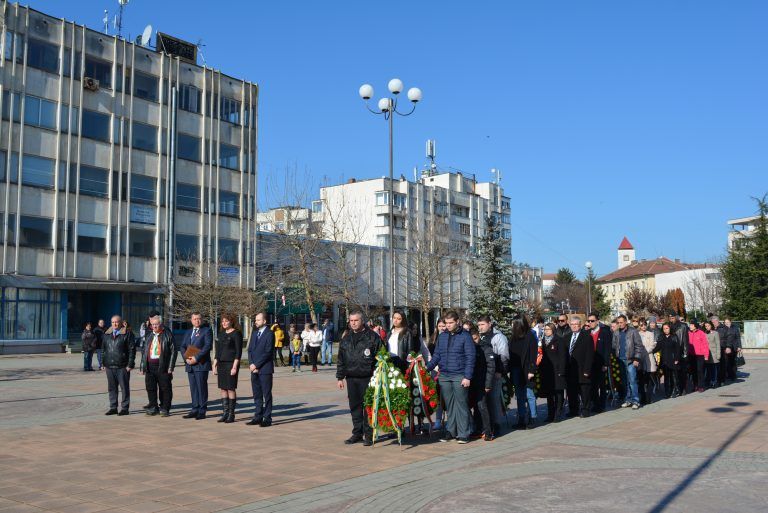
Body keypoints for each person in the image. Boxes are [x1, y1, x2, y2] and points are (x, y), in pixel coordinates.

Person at [426, 310, 475, 444]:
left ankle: (464, 432)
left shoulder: (465, 336)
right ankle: (451, 431)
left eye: (450, 323)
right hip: (445, 375)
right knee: (449, 405)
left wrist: (467, 376)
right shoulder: (442, 337)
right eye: (446, 323)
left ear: (457, 321)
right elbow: (437, 355)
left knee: (461, 404)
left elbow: (470, 357)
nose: (448, 325)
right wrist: (426, 368)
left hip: (460, 375)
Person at [336, 310, 382, 446]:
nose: (353, 323)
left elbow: (381, 356)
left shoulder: (372, 337)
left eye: (356, 320)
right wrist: (340, 377)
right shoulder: (346, 338)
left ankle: (369, 435)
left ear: (362, 321)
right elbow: (341, 359)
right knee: (354, 406)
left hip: (367, 377)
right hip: (351, 378)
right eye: (351, 321)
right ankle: (357, 433)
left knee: (368, 407)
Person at [139, 314, 177, 417]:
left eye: (156, 324)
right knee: (150, 388)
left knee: (165, 388)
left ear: (161, 324)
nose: (154, 326)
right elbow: (144, 352)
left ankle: (165, 408)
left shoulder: (167, 334)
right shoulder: (149, 335)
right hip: (150, 367)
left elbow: (174, 351)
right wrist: (142, 366)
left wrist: (170, 367)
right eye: (152, 324)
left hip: (163, 366)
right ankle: (153, 407)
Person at [477, 316, 509, 434]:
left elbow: (504, 356)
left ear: (489, 324)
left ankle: (497, 425)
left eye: (482, 324)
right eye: (479, 325)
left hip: (495, 373)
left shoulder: (498, 337)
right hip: (483, 374)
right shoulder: (480, 337)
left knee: (494, 400)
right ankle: (486, 425)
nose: (480, 327)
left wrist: (500, 371)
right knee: (485, 401)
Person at [179, 312, 213, 420]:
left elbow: (207, 346)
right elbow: (183, 346)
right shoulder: (188, 331)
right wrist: (186, 358)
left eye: (199, 318)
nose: (197, 321)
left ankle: (202, 411)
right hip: (190, 364)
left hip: (201, 364)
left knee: (201, 388)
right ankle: (194, 409)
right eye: (194, 319)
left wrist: (196, 358)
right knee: (193, 388)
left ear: (201, 319)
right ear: (191, 320)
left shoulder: (206, 330)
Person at [101, 315, 136, 416]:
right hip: (109, 366)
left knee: (124, 387)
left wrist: (130, 364)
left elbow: (132, 350)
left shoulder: (127, 334)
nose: (114, 324)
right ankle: (113, 407)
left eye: (116, 322)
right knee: (112, 388)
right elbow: (103, 350)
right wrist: (103, 363)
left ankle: (124, 408)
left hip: (122, 366)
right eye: (113, 322)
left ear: (121, 323)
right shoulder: (107, 334)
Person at [508, 316, 538, 428]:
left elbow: (533, 355)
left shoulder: (530, 336)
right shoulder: (513, 338)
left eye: (513, 323)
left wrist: (531, 370)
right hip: (516, 370)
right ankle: (521, 418)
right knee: (519, 395)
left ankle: (532, 418)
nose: (512, 326)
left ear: (519, 324)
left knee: (529, 394)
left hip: (527, 370)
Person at [213, 313, 243, 424]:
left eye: (226, 321)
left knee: (230, 388)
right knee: (223, 388)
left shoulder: (236, 334)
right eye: (223, 321)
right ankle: (225, 413)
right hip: (221, 364)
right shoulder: (220, 335)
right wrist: (214, 364)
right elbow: (218, 351)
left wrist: (235, 367)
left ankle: (231, 414)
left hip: (231, 364)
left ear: (231, 322)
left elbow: (238, 352)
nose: (224, 323)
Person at [247, 312, 276, 427]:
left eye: (258, 320)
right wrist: (251, 364)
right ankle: (258, 416)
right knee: (257, 394)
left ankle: (267, 418)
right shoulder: (254, 333)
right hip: (254, 369)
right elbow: (249, 350)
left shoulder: (270, 334)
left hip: (265, 369)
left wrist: (256, 365)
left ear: (264, 321)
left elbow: (268, 352)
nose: (256, 322)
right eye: (255, 320)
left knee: (266, 394)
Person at [612, 315, 644, 410]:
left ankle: (636, 400)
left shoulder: (633, 332)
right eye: (618, 322)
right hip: (620, 360)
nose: (620, 324)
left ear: (626, 322)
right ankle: (628, 399)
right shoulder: (616, 333)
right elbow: (614, 346)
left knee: (632, 381)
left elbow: (639, 346)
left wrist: (636, 359)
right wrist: (616, 356)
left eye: (621, 322)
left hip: (631, 360)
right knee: (625, 381)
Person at [469, 327, 496, 441]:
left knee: (482, 406)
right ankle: (478, 429)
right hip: (473, 381)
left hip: (482, 381)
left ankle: (489, 431)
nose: (474, 341)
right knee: (476, 406)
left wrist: (488, 384)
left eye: (475, 339)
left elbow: (491, 366)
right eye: (472, 340)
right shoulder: (470, 347)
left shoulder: (485, 347)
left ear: (478, 336)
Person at [566, 316, 595, 417]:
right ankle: (573, 410)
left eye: (576, 325)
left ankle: (585, 410)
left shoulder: (587, 337)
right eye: (572, 324)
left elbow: (589, 355)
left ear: (580, 325)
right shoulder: (567, 336)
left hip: (582, 369)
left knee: (584, 391)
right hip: (571, 369)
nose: (574, 326)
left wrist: (587, 369)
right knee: (571, 391)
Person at [539, 322, 567, 422]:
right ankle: (550, 414)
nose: (546, 331)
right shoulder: (542, 341)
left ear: (553, 330)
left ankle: (558, 414)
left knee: (558, 393)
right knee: (549, 394)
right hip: (547, 372)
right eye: (545, 329)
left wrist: (562, 371)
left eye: (548, 329)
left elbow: (563, 357)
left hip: (557, 370)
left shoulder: (559, 340)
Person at [586, 313, 612, 413]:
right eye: (589, 321)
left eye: (592, 321)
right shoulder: (587, 333)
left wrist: (606, 364)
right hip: (590, 363)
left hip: (600, 363)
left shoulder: (605, 332)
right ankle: (595, 404)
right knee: (592, 385)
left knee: (601, 385)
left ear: (597, 321)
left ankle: (601, 405)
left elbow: (607, 349)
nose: (590, 323)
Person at [654, 323, 681, 398]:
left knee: (673, 377)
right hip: (664, 360)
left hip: (672, 360)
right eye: (664, 329)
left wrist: (676, 359)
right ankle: (667, 393)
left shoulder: (674, 337)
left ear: (670, 328)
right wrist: (650, 351)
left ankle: (674, 391)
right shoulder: (661, 337)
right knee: (666, 378)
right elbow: (657, 347)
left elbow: (677, 349)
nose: (665, 330)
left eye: (667, 328)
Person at [669, 313, 690, 394]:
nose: (671, 319)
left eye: (673, 317)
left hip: (681, 351)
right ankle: (675, 388)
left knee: (682, 372)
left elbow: (685, 341)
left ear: (676, 318)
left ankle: (683, 387)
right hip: (671, 352)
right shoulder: (668, 326)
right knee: (674, 372)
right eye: (670, 317)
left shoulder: (683, 326)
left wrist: (685, 353)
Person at [712, 316, 737, 385]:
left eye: (714, 322)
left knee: (722, 365)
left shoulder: (724, 328)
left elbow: (730, 337)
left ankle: (721, 380)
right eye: (712, 322)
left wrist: (728, 347)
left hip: (723, 348)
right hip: (713, 349)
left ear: (717, 321)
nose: (713, 323)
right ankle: (714, 379)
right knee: (714, 365)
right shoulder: (712, 328)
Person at [638, 320, 657, 405]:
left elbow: (652, 345)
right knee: (641, 379)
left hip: (648, 356)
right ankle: (642, 397)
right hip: (640, 358)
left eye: (645, 325)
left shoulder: (650, 333)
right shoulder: (637, 334)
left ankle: (649, 398)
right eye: (641, 325)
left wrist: (646, 351)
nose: (643, 327)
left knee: (649, 379)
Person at [688, 322, 709, 392]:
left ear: (695, 326)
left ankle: (701, 386)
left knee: (700, 370)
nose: (690, 326)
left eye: (691, 325)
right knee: (693, 371)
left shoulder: (701, 333)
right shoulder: (688, 333)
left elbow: (705, 345)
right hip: (691, 355)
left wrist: (706, 355)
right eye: (690, 325)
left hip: (700, 355)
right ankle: (695, 385)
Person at [703, 320, 721, 388]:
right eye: (706, 326)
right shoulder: (704, 333)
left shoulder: (715, 333)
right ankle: (708, 382)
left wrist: (718, 354)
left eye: (708, 326)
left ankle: (714, 381)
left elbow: (718, 344)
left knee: (713, 368)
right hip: (706, 354)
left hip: (713, 354)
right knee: (707, 369)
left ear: (711, 326)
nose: (707, 327)